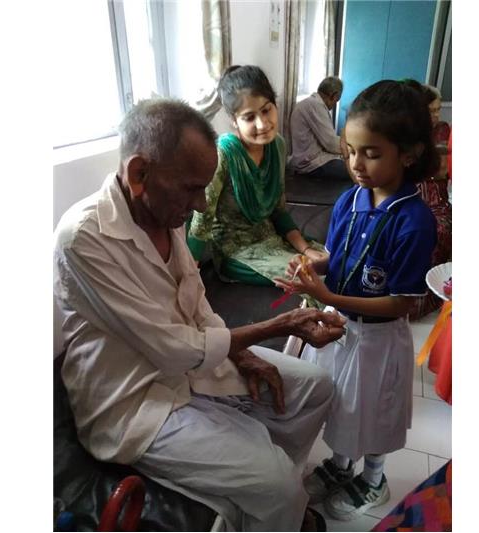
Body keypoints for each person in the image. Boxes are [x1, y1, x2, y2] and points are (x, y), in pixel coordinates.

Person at [53, 98, 348, 531]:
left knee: (315, 388)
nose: (200, 206)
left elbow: (196, 301)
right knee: (277, 484)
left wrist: (240, 351)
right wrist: (280, 324)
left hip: (190, 366)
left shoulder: (162, 211)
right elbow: (172, 350)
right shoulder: (83, 237)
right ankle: (275, 493)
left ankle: (268, 496)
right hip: (134, 401)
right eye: (192, 189)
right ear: (139, 173)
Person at [274, 80, 438, 521]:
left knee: (374, 410)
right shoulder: (349, 200)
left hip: (378, 339)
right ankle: (341, 466)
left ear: (408, 154)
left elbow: (401, 304)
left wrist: (326, 295)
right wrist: (312, 267)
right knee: (343, 404)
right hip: (338, 326)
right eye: (349, 151)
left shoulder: (414, 221)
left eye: (371, 153)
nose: (356, 164)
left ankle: (375, 479)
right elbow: (338, 258)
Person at [188, 65, 326, 286]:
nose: (262, 124)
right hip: (237, 252)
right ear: (234, 120)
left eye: (266, 110)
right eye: (249, 117)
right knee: (314, 280)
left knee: (338, 264)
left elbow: (279, 211)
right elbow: (201, 221)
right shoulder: (223, 154)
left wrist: (306, 249)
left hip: (273, 238)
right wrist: (186, 277)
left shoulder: (277, 146)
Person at [407, 83, 452, 320]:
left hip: (438, 200)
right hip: (413, 197)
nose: (435, 115)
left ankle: (430, 298)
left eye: (437, 110)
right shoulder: (407, 135)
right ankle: (405, 301)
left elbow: (444, 169)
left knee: (440, 229)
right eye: (430, 110)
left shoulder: (443, 131)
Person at [288, 76, 349, 181]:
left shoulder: (309, 103)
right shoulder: (315, 105)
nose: (334, 105)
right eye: (336, 101)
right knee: (356, 169)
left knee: (351, 162)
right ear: (333, 96)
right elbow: (331, 144)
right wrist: (352, 148)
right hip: (311, 164)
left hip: (309, 159)